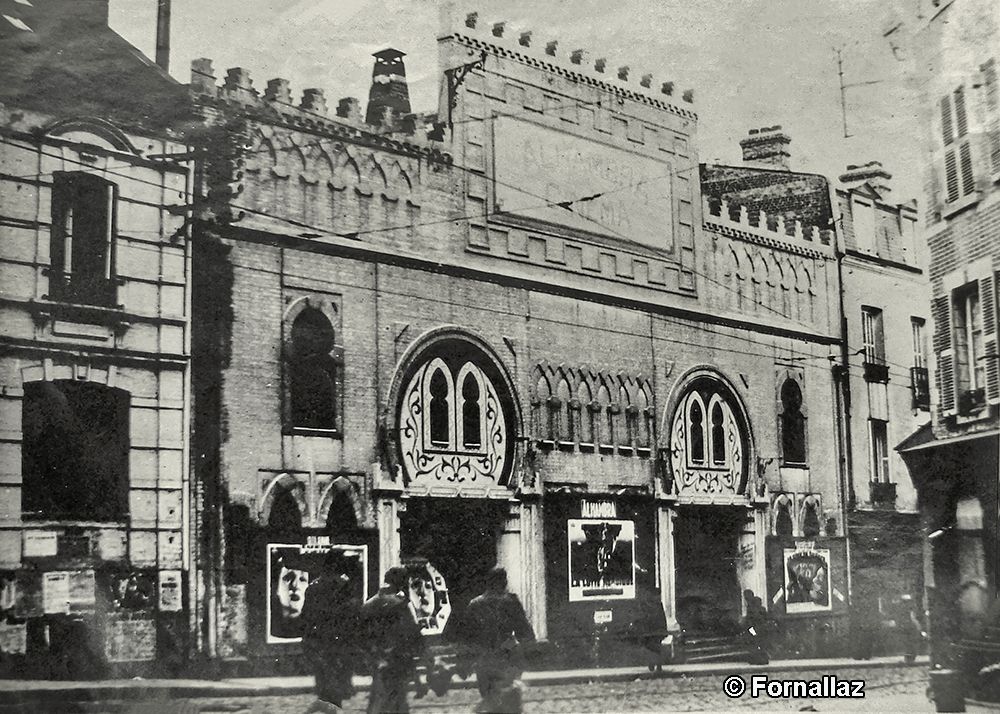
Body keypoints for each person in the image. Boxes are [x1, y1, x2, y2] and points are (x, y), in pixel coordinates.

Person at [463, 566, 536, 714]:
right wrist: (529, 650)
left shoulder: (474, 604)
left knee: (490, 698)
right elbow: (524, 630)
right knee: (508, 700)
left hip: (484, 660)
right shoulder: (511, 601)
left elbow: (466, 636)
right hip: (507, 657)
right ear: (504, 582)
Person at [301, 550, 363, 711]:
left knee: (325, 682)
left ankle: (325, 706)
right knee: (337, 684)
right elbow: (353, 613)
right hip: (340, 643)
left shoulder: (313, 587)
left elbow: (306, 617)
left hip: (320, 643)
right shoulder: (344, 585)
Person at [361, 566, 425, 714]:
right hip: (398, 661)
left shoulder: (369, 604)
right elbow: (414, 635)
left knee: (377, 702)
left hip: (377, 660)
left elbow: (361, 634)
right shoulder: (402, 604)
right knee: (398, 703)